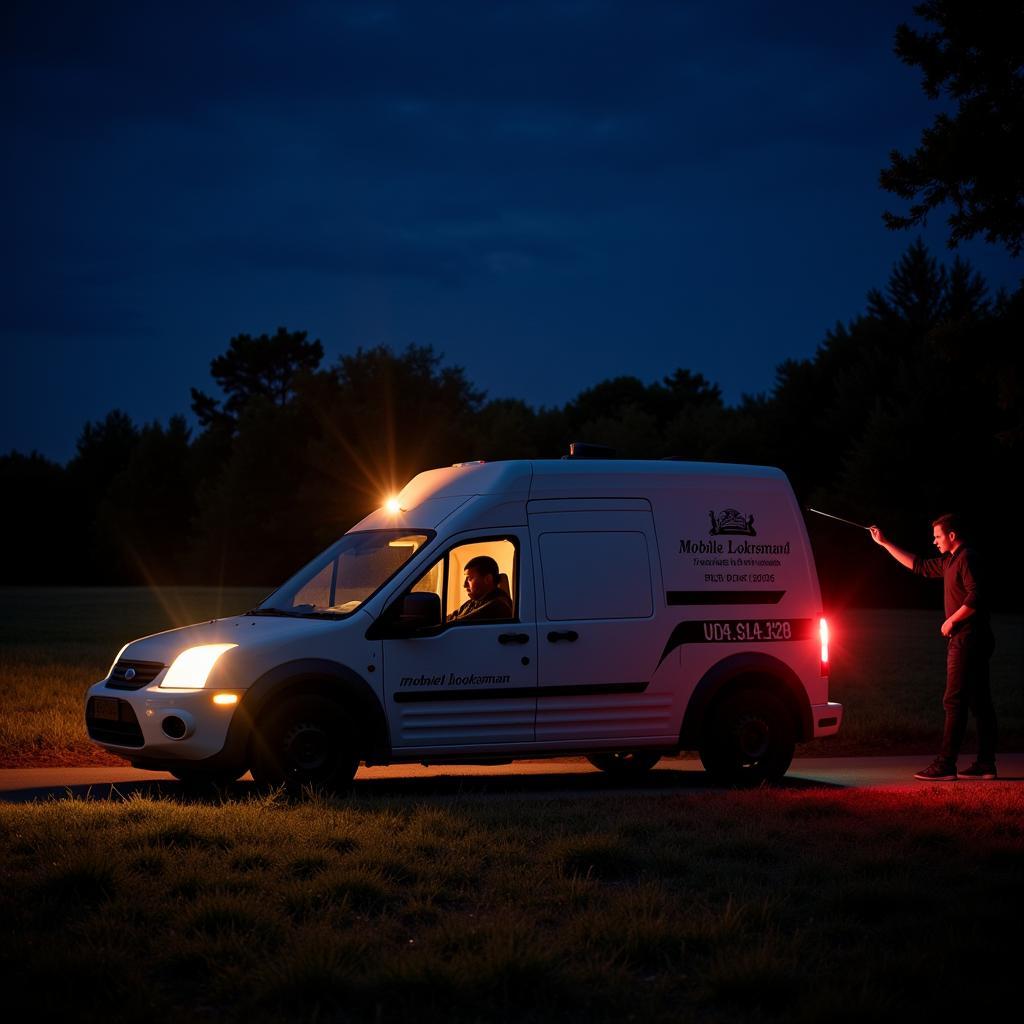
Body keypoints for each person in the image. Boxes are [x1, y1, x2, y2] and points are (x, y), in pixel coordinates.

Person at [869, 514, 997, 781]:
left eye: (938, 536)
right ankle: (986, 764)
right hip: (969, 638)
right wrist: (884, 543)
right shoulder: (950, 560)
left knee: (954, 700)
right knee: (978, 702)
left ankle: (946, 764)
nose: (934, 541)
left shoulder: (966, 558)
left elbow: (977, 594)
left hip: (968, 639)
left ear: (952, 535)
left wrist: (952, 620)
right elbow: (918, 566)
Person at [447, 555, 514, 623]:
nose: (464, 585)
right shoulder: (471, 602)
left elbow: (457, 623)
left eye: (470, 579)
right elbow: (448, 619)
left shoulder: (499, 606)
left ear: (488, 579)